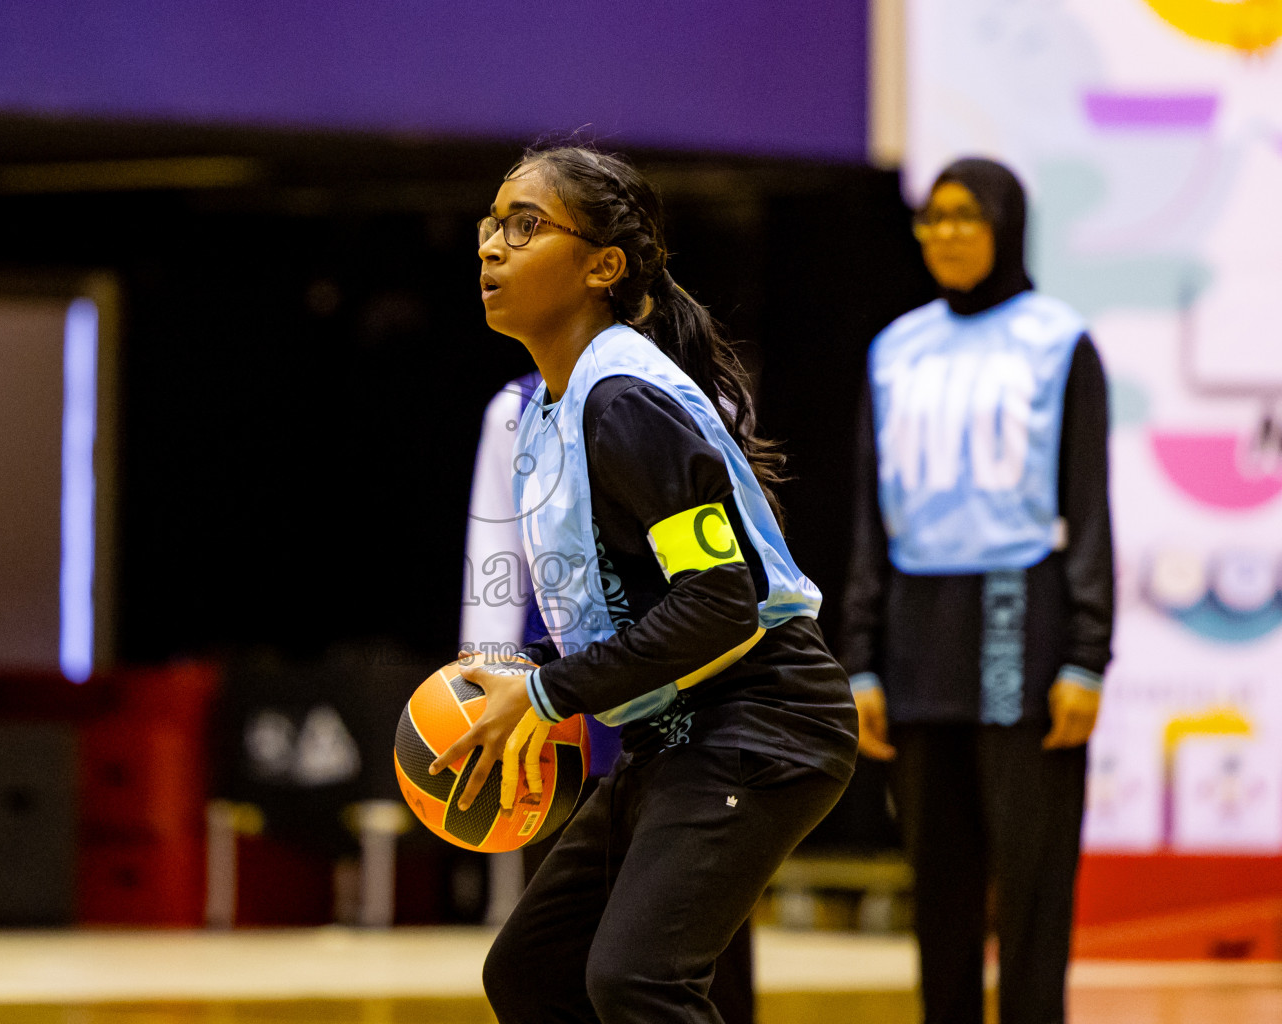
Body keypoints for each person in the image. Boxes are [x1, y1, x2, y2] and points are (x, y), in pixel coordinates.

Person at [431, 143, 858, 1024]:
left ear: (603, 266)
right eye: (490, 225)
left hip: (764, 719)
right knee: (530, 972)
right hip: (675, 726)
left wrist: (548, 693)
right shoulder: (553, 407)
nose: (491, 247)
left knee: (635, 981)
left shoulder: (626, 404)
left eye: (524, 225)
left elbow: (721, 600)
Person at [840, 157, 1113, 1024]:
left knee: (1030, 888)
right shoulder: (896, 348)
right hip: (917, 633)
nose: (946, 233)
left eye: (965, 216)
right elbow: (869, 516)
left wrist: (1086, 656)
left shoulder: (1059, 340)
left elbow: (1089, 508)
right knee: (939, 889)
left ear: (1005, 223)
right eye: (932, 217)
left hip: (1018, 620)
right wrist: (860, 660)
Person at [459, 373, 755, 1023]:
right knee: (551, 961)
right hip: (562, 703)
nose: (489, 262)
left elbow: (741, 577)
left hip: (696, 704)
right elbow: (495, 559)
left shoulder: (692, 392)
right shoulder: (514, 407)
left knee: (693, 963)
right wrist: (482, 679)